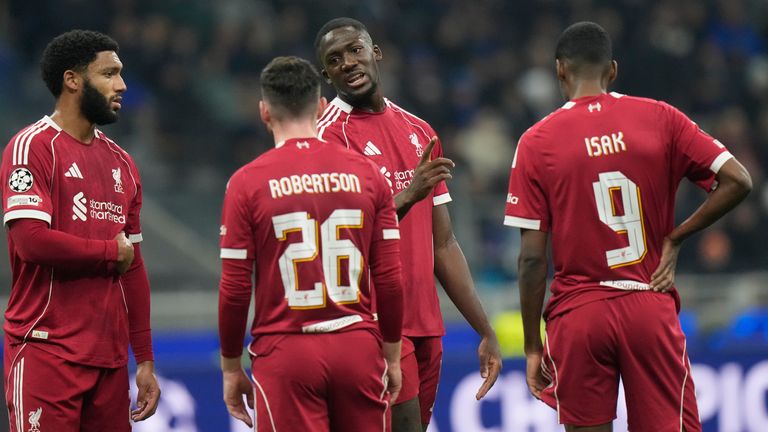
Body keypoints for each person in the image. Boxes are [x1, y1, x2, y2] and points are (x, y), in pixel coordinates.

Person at [504, 21, 752, 432]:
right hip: (647, 300)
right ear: (613, 70)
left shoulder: (536, 141)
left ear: (560, 71)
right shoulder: (660, 118)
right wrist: (677, 236)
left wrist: (533, 346)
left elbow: (531, 259)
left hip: (578, 313)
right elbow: (738, 180)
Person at [314, 17, 502, 431]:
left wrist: (483, 329)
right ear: (326, 75)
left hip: (426, 327)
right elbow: (340, 238)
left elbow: (444, 243)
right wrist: (407, 195)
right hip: (373, 328)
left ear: (375, 52)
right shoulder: (327, 139)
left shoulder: (419, 130)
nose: (348, 62)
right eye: (334, 59)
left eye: (355, 50)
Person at [218, 55, 404, 432]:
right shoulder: (368, 174)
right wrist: (393, 355)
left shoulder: (246, 183)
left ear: (264, 112)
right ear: (321, 107)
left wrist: (230, 365)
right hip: (356, 343)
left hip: (287, 350)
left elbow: (235, 289)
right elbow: (389, 276)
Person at [0, 30, 160, 431]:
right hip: (45, 351)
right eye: (109, 74)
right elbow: (30, 242)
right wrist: (109, 252)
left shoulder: (122, 163)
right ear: (73, 80)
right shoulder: (32, 147)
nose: (122, 85)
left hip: (107, 363)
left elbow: (134, 269)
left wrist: (144, 360)